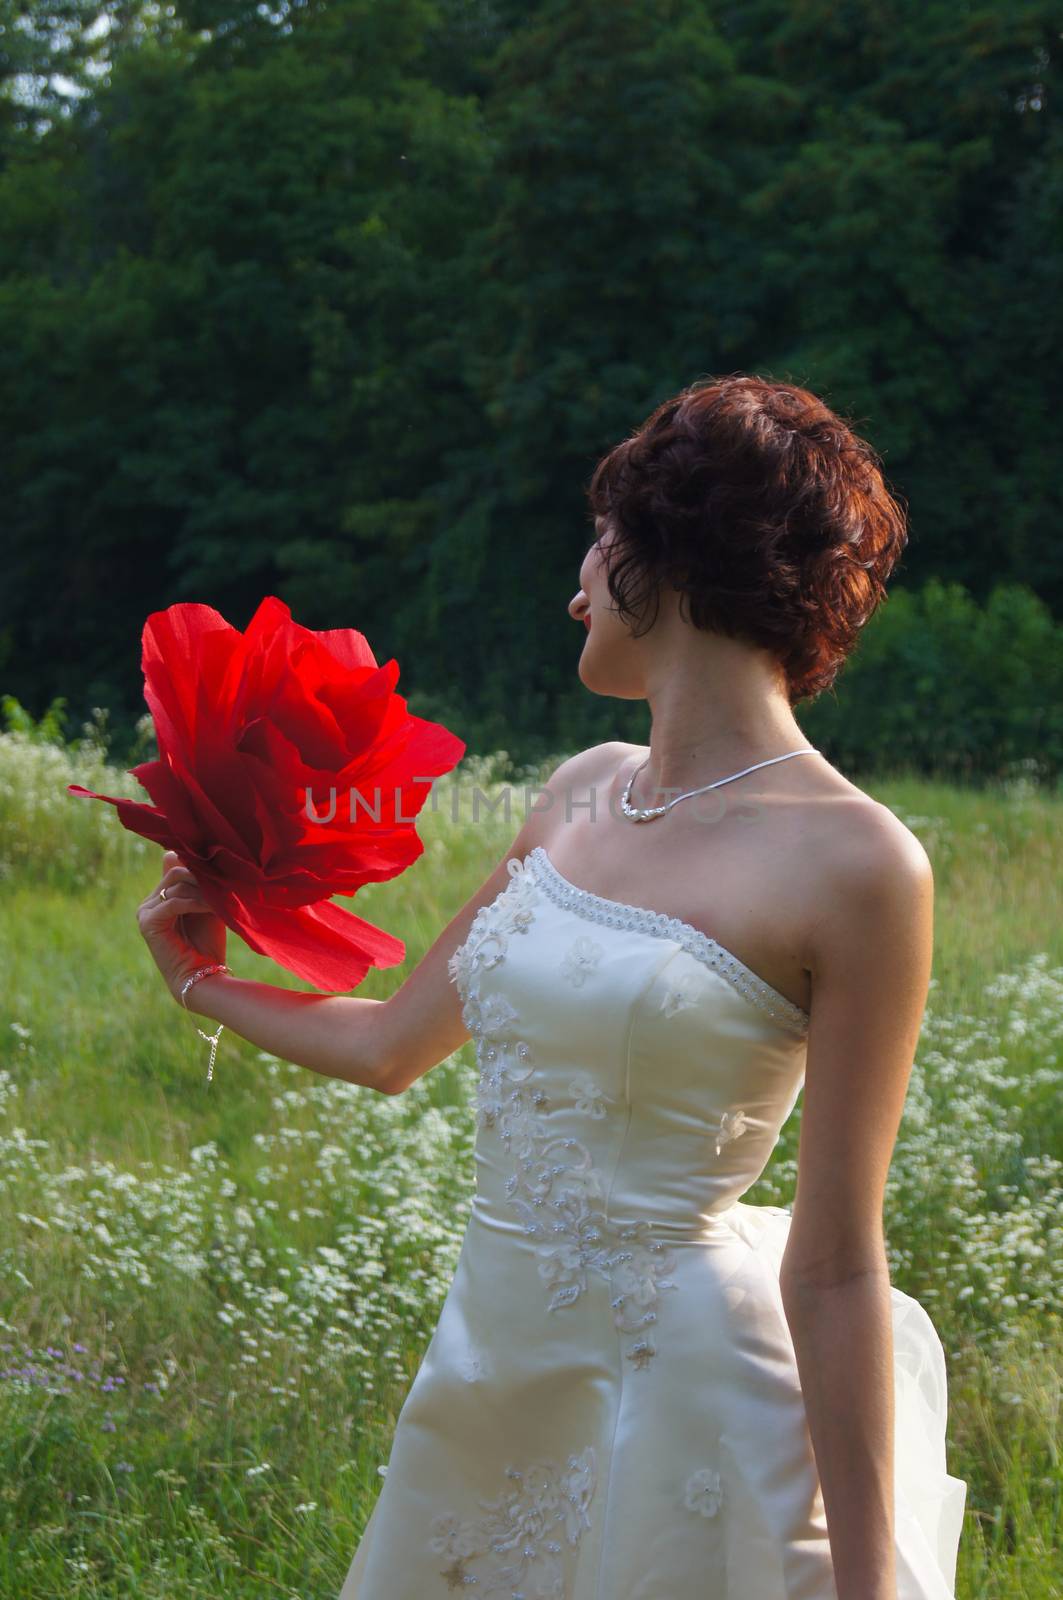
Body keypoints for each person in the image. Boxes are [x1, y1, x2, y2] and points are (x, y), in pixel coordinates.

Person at [138, 374, 967, 1599]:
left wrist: (868, 1584)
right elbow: (391, 1043)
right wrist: (196, 979)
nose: (574, 583)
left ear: (670, 555)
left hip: (682, 1404)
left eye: (597, 539)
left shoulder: (860, 864)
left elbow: (839, 1262)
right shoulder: (584, 787)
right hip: (489, 1378)